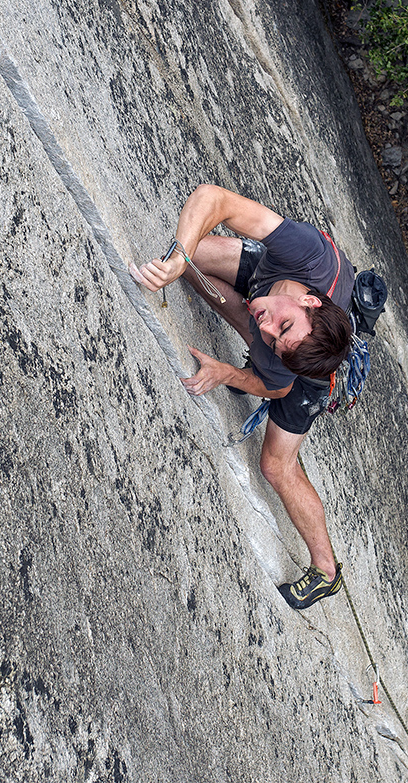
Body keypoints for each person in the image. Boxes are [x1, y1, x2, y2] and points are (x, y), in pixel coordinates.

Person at [133, 184, 354, 610]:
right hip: (280, 288)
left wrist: (230, 373)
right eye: (283, 328)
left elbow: (276, 387)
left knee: (275, 465)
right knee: (194, 254)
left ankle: (326, 571)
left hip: (307, 374)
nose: (269, 328)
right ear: (307, 300)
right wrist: (180, 257)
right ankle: (235, 297)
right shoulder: (308, 255)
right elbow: (215, 199)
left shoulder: (286, 359)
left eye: (274, 340)